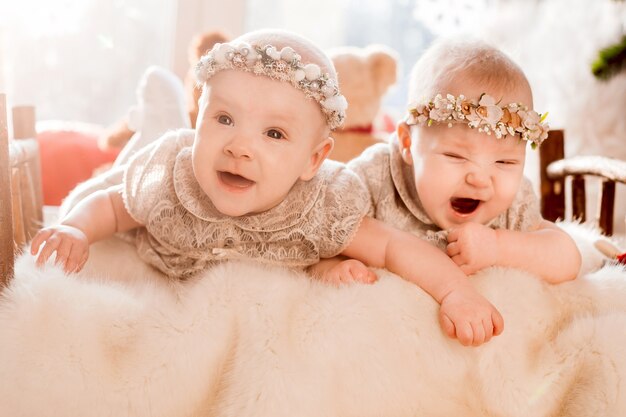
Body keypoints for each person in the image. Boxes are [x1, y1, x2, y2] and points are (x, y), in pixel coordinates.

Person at [30, 29, 502, 347]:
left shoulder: (318, 206)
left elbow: (396, 247)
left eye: (274, 134)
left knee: (333, 259)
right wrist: (74, 229)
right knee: (141, 148)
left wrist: (456, 292)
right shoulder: (176, 181)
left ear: (313, 160)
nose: (239, 147)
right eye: (224, 119)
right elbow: (114, 206)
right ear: (203, 120)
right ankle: (162, 116)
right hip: (169, 242)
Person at [314, 37, 581, 291]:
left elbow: (567, 258)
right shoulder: (374, 176)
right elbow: (320, 235)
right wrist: (331, 267)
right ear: (407, 144)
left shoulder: (513, 201)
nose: (479, 179)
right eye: (456, 156)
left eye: (505, 161)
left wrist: (499, 247)